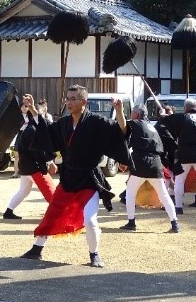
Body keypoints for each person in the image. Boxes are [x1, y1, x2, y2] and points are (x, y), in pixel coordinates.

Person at [19, 85, 130, 267]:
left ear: (83, 102)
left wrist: (119, 111)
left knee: (90, 219)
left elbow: (121, 132)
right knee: (52, 212)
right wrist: (32, 109)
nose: (68, 103)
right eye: (67, 99)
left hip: (89, 179)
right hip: (69, 177)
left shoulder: (96, 122)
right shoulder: (64, 123)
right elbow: (46, 130)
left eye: (73, 99)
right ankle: (36, 249)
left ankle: (94, 255)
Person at [116, 104, 179, 233]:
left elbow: (122, 131)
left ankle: (131, 222)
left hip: (140, 162)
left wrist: (123, 160)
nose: (131, 114)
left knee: (130, 193)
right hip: (155, 162)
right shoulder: (153, 128)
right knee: (164, 195)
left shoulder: (134, 124)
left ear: (137, 114)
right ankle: (175, 223)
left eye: (133, 112)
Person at [3, 94, 57, 219]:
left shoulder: (31, 128)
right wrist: (49, 162)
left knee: (23, 191)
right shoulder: (33, 130)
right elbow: (38, 152)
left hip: (26, 166)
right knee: (51, 192)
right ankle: (57, 214)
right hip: (33, 167)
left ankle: (8, 212)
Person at [10, 103, 30, 179]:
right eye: (23, 106)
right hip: (20, 135)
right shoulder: (17, 117)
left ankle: (27, 172)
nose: (24, 108)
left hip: (28, 136)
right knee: (17, 155)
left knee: (27, 155)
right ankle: (16, 172)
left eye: (26, 106)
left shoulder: (30, 116)